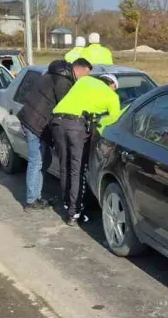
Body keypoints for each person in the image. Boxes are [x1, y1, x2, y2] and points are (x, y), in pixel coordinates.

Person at [51, 58, 122, 225]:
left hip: (56, 122)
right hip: (75, 126)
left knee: (65, 166)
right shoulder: (112, 96)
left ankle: (67, 203)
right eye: (115, 89)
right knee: (77, 170)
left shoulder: (85, 81)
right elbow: (114, 123)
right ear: (112, 85)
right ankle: (74, 213)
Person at [16, 59, 76, 211]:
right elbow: (66, 105)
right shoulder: (62, 81)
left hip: (33, 120)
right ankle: (30, 201)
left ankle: (36, 196)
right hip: (35, 124)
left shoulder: (50, 75)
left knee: (45, 159)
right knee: (36, 161)